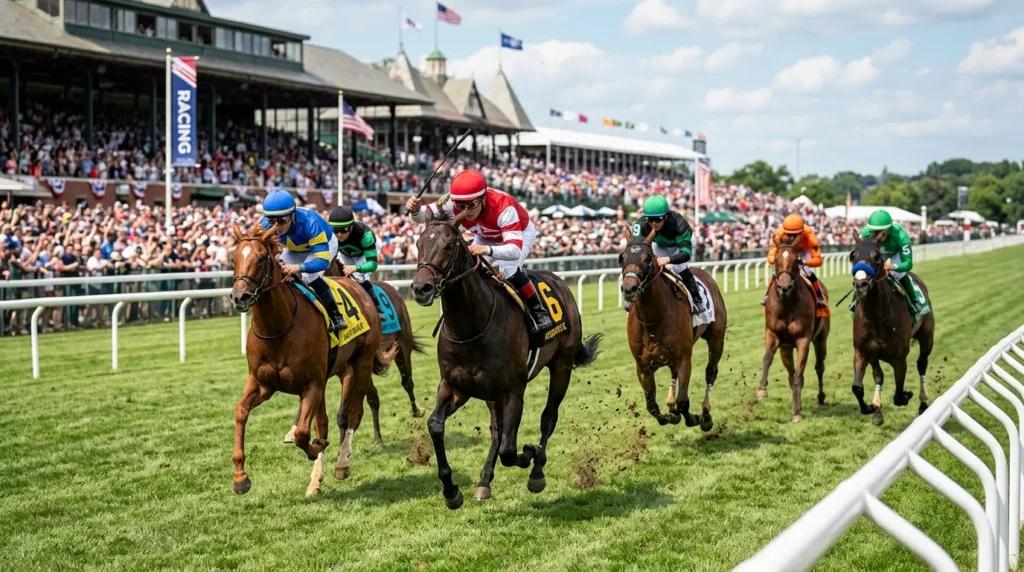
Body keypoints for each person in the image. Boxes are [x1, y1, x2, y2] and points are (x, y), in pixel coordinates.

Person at [405, 169, 554, 333]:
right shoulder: (450, 200)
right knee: (472, 270)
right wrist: (415, 210)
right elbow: (423, 217)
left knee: (508, 269)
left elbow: (514, 251)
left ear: (483, 199)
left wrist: (485, 250)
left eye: (471, 205)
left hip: (520, 233)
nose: (466, 211)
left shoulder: (503, 206)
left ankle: (539, 312)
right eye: (460, 206)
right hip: (485, 233)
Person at [258, 190, 345, 332]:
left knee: (309, 276)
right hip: (296, 247)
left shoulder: (310, 222)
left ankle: (336, 315)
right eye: (271, 221)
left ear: (293, 215)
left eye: (281, 221)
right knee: (279, 273)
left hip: (326, 243)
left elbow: (322, 262)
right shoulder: (264, 225)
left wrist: (298, 267)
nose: (276, 227)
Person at [631, 194, 706, 314]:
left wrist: (668, 259)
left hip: (681, 244)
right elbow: (635, 249)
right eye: (650, 219)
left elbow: (686, 254)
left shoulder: (679, 223)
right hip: (660, 243)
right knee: (649, 266)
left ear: (666, 217)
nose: (653, 224)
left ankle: (697, 299)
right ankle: (634, 298)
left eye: (658, 219)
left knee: (678, 267)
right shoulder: (640, 225)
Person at [860, 210, 930, 318]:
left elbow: (908, 263)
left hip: (895, 255)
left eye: (878, 232)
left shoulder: (900, 235)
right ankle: (855, 305)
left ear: (887, 230)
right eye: (873, 231)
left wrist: (893, 267)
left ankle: (915, 303)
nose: (875, 235)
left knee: (900, 275)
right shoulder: (866, 233)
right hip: (876, 254)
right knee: (862, 277)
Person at [763, 213, 826, 308]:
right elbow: (770, 257)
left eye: (795, 235)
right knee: (776, 274)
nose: (792, 238)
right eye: (789, 234)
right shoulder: (778, 234)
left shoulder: (809, 234)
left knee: (809, 273)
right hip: (786, 252)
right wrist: (778, 260)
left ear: (802, 231)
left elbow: (818, 260)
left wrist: (804, 262)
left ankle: (819, 297)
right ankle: (767, 296)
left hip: (803, 253)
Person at [328, 205, 382, 314]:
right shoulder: (330, 235)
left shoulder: (366, 235)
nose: (339, 235)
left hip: (362, 254)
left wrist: (356, 268)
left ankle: (377, 307)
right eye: (335, 231)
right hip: (345, 255)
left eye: (343, 230)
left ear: (351, 227)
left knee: (359, 277)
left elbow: (373, 264)